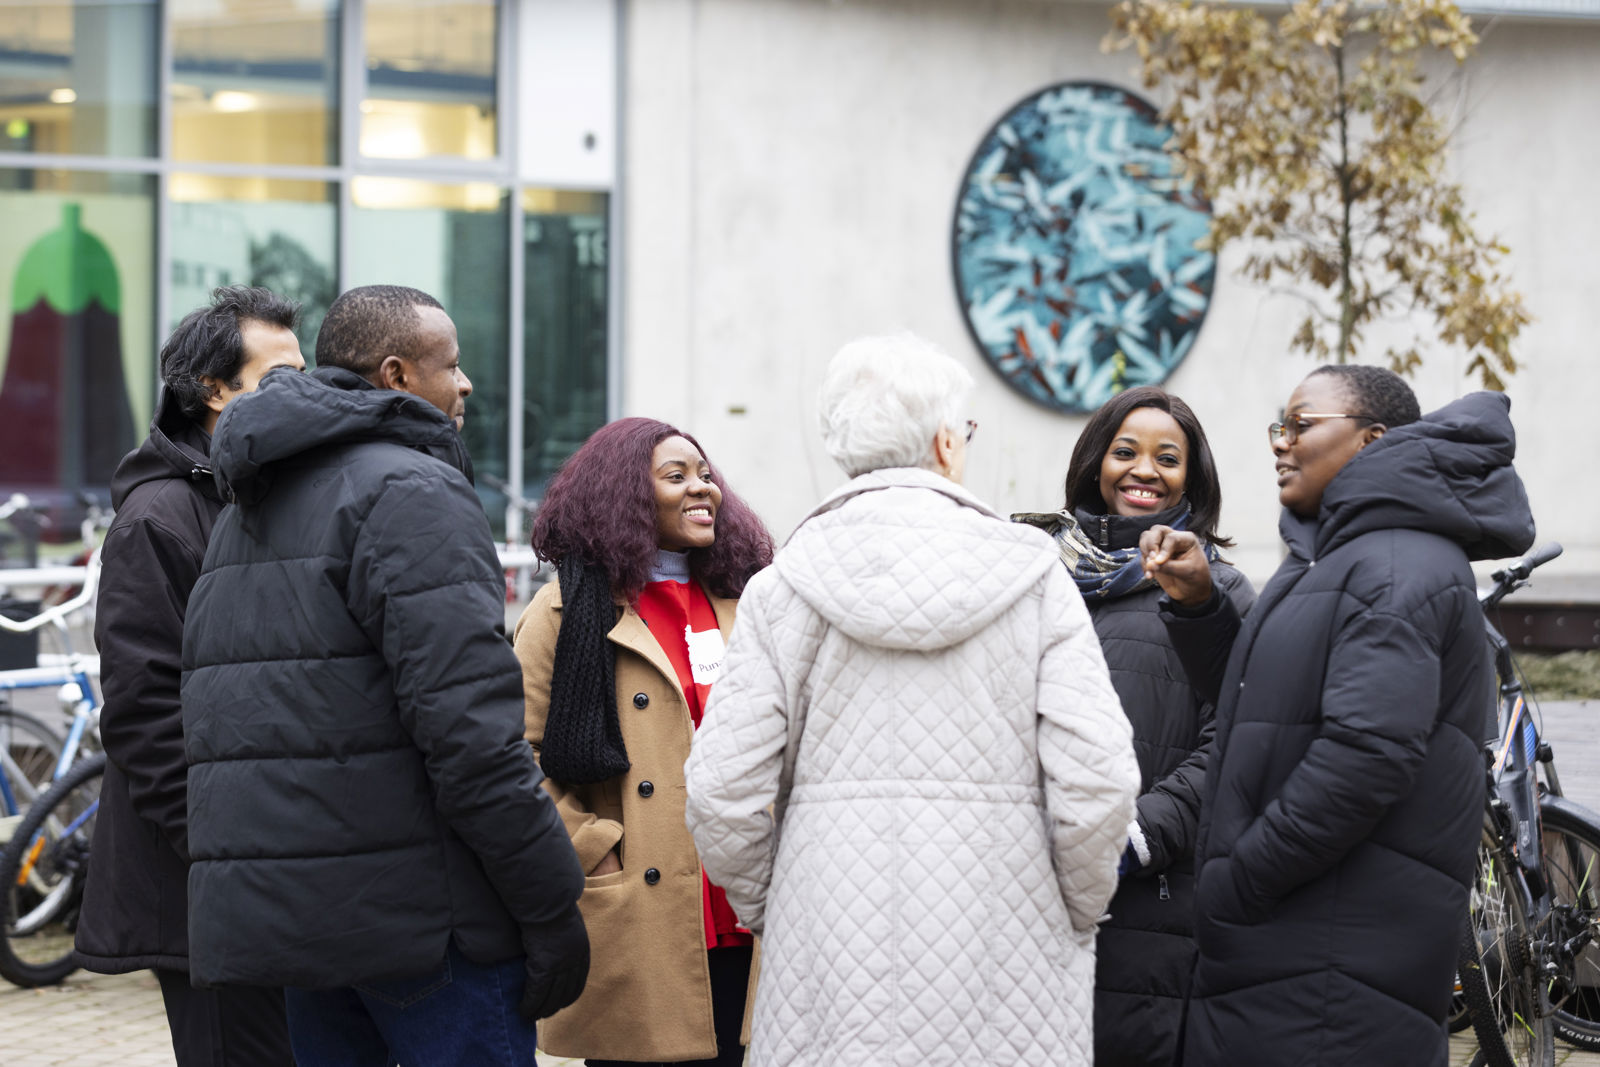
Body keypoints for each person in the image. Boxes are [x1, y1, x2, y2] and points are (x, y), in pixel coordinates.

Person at [683, 333, 1141, 1067]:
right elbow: (1100, 779)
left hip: (830, 955)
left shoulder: (781, 589)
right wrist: (1076, 908)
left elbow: (718, 791)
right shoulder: (1035, 579)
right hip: (1008, 955)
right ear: (945, 442)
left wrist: (778, 900)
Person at [180, 284, 589, 1067]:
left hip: (301, 928)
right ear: (397, 374)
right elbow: (472, 736)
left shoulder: (252, 502)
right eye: (453, 364)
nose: (466, 384)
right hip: (425, 928)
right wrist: (550, 904)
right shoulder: (411, 489)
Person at [1139, 366, 1535, 1066]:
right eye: (1278, 427)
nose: (1280, 444)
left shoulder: (1395, 565)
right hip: (1296, 959)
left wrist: (1240, 880)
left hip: (1329, 977)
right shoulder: (1334, 555)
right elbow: (1262, 702)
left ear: (1372, 440)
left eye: (1300, 425)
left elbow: (1365, 759)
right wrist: (1201, 606)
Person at [74, 285, 304, 1066]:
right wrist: (223, 854)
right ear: (213, 390)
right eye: (279, 375)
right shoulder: (159, 517)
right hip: (206, 888)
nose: (300, 392)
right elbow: (144, 714)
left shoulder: (270, 494)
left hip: (281, 876)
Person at [513, 416, 775, 1066]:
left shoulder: (750, 603)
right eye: (676, 476)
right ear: (626, 492)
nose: (703, 489)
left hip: (749, 901)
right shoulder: (562, 613)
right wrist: (594, 849)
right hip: (643, 909)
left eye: (707, 475)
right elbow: (515, 756)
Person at [1013, 385, 1254, 1067]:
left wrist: (1139, 833)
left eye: (1167, 457)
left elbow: (1236, 738)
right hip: (1025, 886)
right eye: (1126, 451)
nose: (1144, 470)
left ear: (1192, 477)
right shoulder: (1034, 575)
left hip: (1153, 901)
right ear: (1096, 463)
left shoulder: (1216, 587)